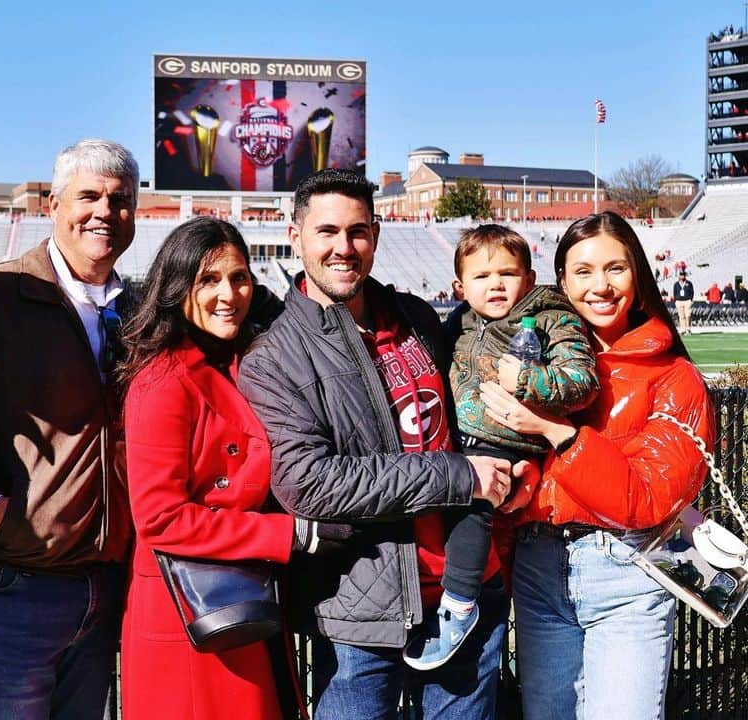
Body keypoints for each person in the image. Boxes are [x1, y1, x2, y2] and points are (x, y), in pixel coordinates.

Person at [237, 169, 521, 720]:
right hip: (360, 611)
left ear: (376, 234)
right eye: (327, 232)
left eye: (358, 231)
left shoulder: (415, 316)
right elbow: (312, 484)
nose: (344, 248)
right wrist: (459, 476)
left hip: (469, 587)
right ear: (295, 236)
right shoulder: (274, 357)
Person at [0, 139, 138, 719]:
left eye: (120, 200)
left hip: (101, 586)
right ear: (54, 204)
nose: (105, 212)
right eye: (88, 196)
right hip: (7, 586)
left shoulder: (138, 309)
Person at [480, 211, 714, 720]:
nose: (600, 287)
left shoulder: (676, 378)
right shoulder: (529, 364)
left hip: (628, 575)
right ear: (561, 281)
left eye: (616, 268)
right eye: (582, 272)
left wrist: (556, 432)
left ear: (638, 275)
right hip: (540, 569)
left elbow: (646, 499)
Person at [119, 217, 352, 719]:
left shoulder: (246, 359)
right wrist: (287, 535)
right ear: (177, 286)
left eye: (240, 277)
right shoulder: (162, 383)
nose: (228, 293)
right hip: (190, 613)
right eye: (208, 279)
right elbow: (160, 519)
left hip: (245, 598)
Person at [403, 225, 599, 670]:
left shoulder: (551, 317)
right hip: (460, 441)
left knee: (474, 509)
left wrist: (528, 382)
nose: (495, 284)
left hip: (510, 443)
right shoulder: (461, 321)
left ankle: (459, 607)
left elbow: (584, 382)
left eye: (508, 273)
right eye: (482, 276)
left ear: (529, 279)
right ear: (460, 286)